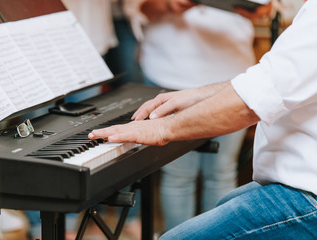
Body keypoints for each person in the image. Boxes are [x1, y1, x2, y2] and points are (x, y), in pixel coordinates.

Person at [88, 0, 317, 238]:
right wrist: (196, 95)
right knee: (203, 191)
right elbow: (270, 78)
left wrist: (163, 128)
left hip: (307, 194)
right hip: (297, 181)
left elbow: (254, 100)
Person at [123, 0, 256, 231]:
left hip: (231, 76)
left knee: (222, 172)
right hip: (170, 74)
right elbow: (140, 9)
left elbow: (261, 9)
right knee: (178, 176)